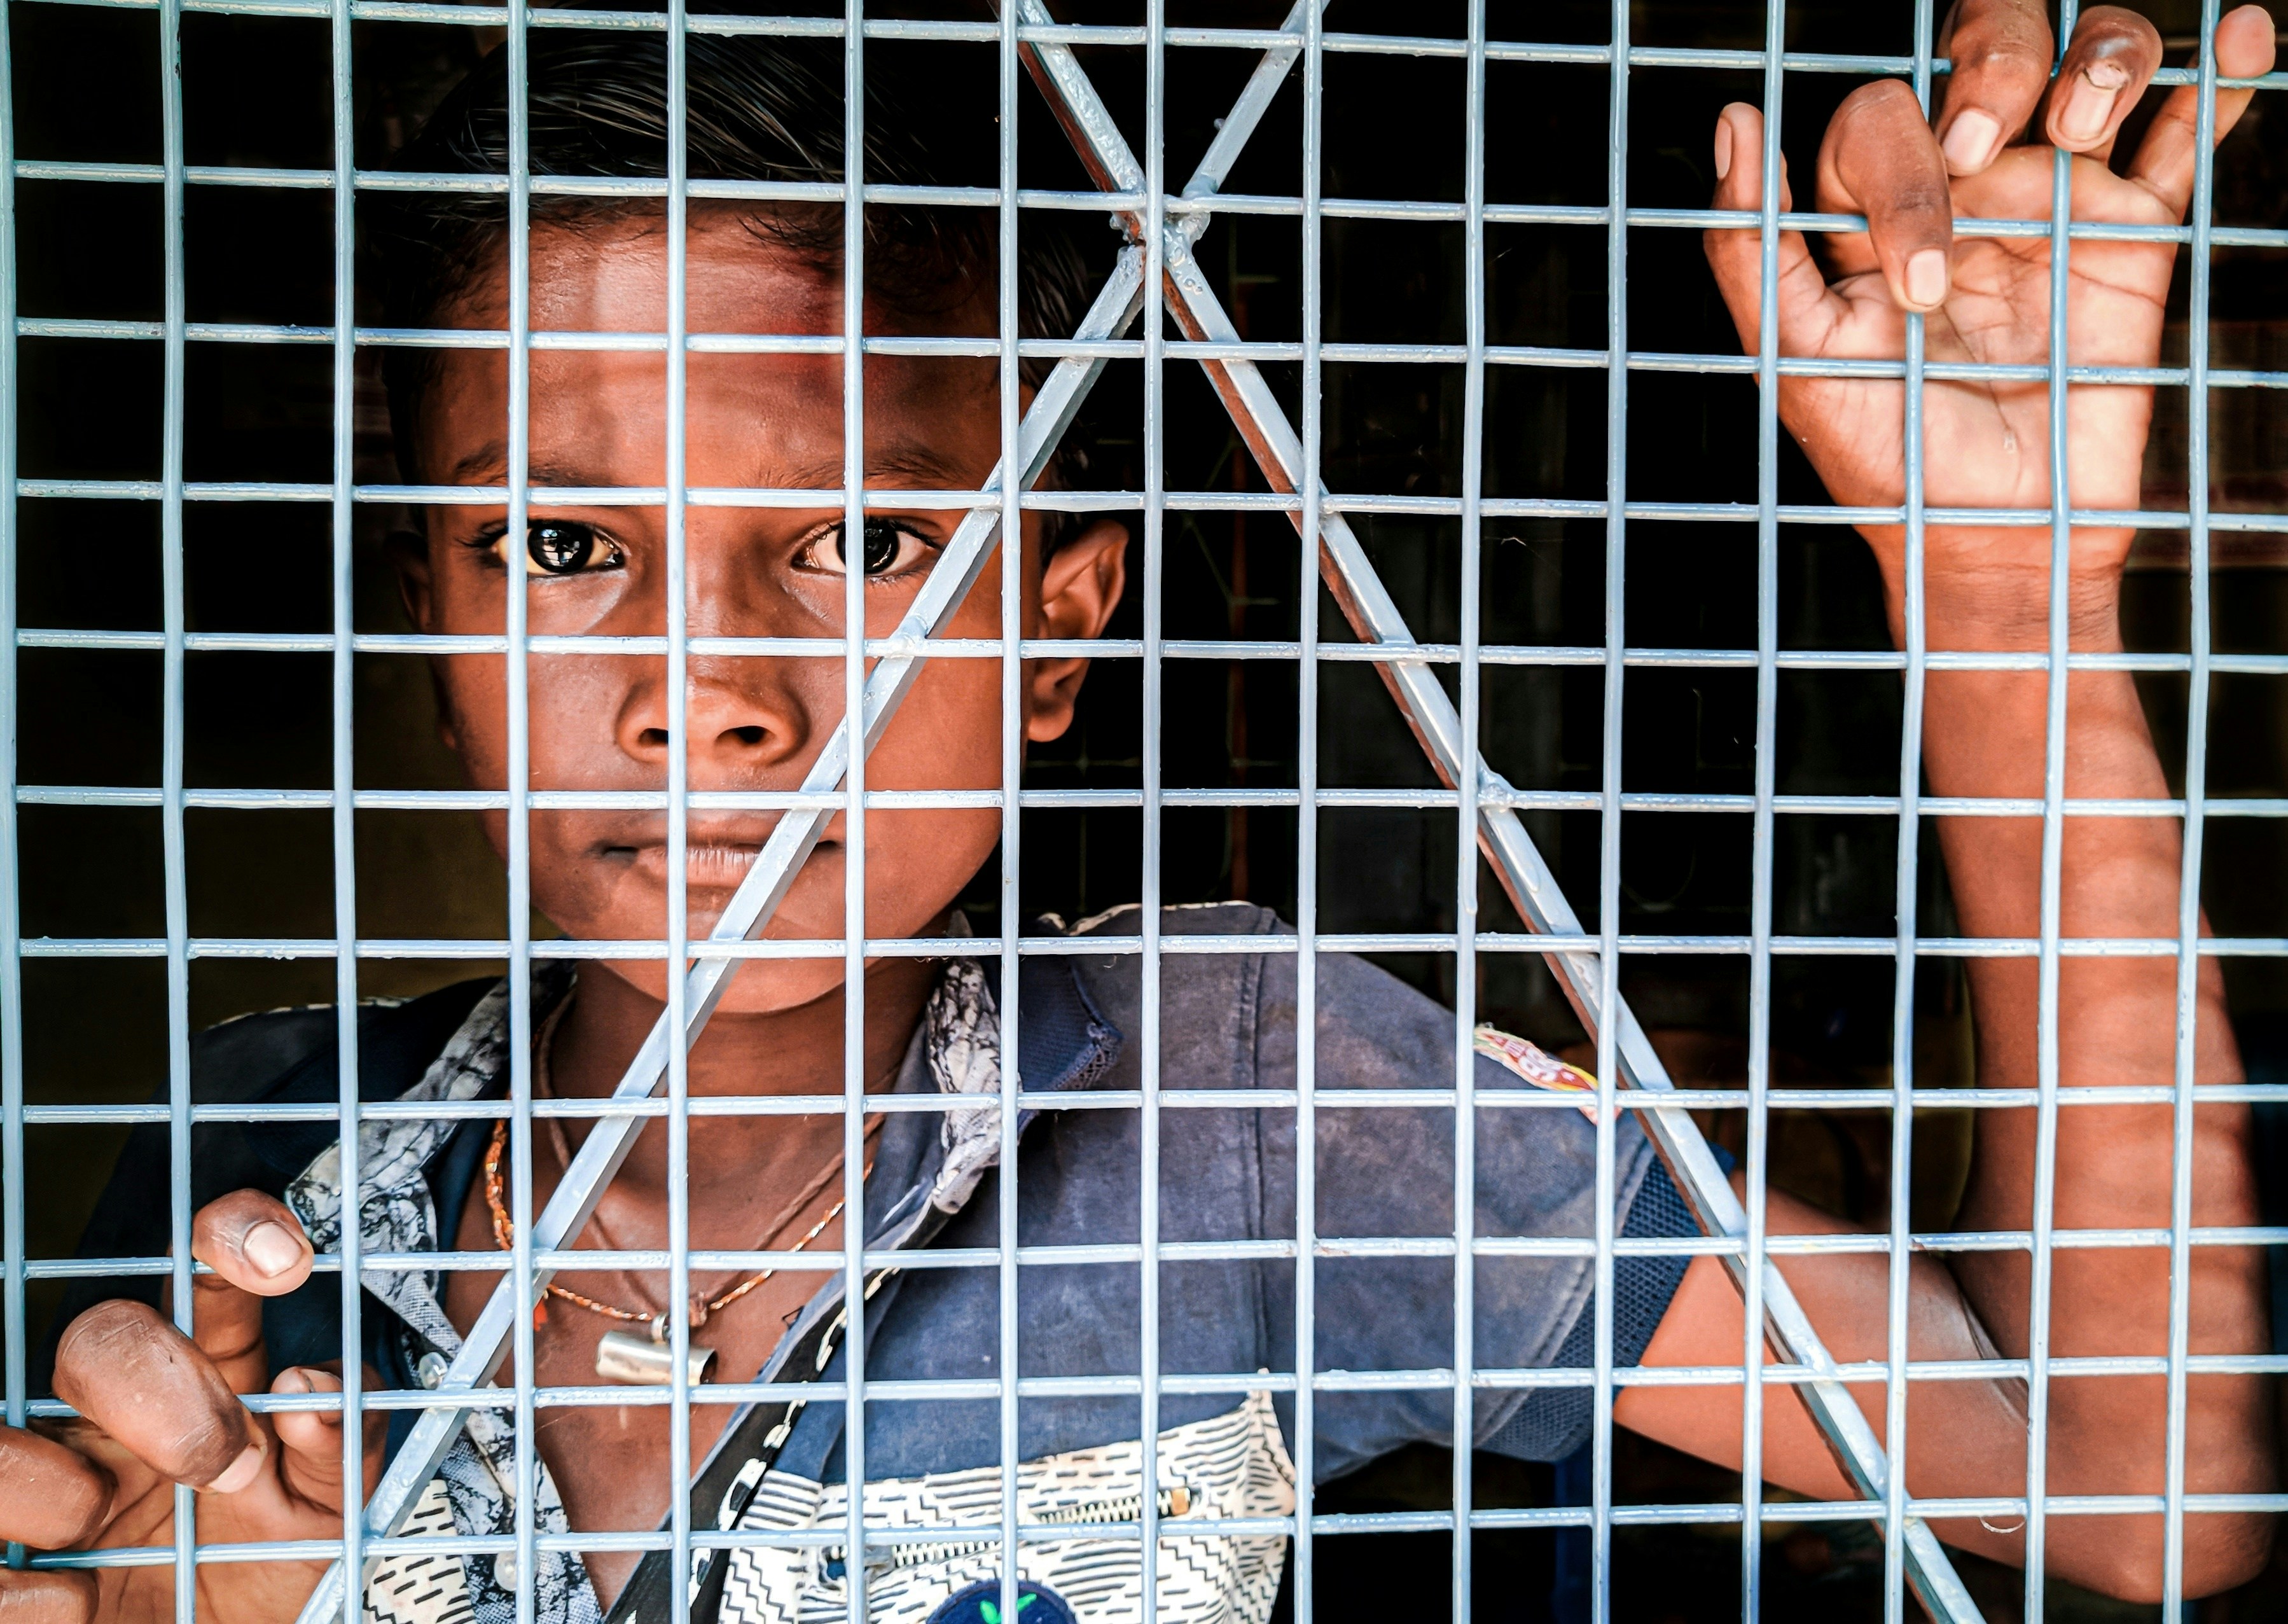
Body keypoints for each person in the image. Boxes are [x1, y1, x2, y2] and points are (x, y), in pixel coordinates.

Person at [1, 3, 2279, 1620]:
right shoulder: (247, 1188)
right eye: (563, 545)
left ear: (1061, 623)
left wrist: (2005, 601)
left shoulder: (1255, 1089)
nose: (709, 698)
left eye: (872, 542)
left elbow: (2139, 1485)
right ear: (432, 597)